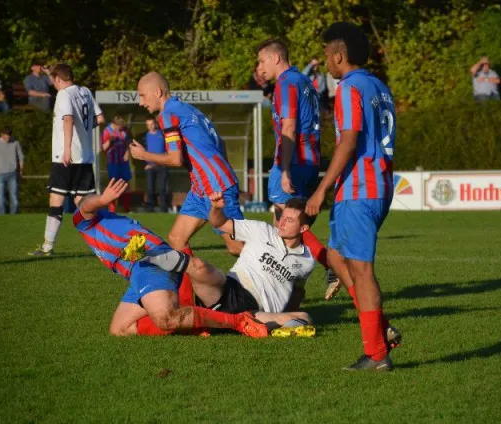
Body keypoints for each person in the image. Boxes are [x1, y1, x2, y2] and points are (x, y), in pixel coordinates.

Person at [306, 22, 401, 371]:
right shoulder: (379, 86)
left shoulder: (349, 87)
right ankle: (381, 328)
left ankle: (377, 354)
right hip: (376, 184)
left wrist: (321, 189)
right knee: (335, 256)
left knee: (361, 270)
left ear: (338, 55)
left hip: (361, 187)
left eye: (327, 55)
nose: (325, 62)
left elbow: (348, 141)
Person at [73, 178, 269, 338]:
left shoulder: (84, 221)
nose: (83, 200)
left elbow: (86, 205)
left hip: (148, 261)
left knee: (165, 319)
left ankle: (237, 321)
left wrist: (101, 199)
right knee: (120, 329)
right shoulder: (97, 224)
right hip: (138, 271)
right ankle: (194, 323)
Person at [146, 194, 319, 336]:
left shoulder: (307, 261)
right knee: (199, 266)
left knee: (304, 317)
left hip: (256, 311)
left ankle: (279, 330)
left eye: (289, 220)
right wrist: (216, 209)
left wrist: (285, 314)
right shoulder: (262, 230)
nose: (281, 222)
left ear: (303, 228)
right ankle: (150, 256)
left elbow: (297, 291)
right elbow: (220, 223)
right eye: (282, 216)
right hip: (228, 290)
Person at [256, 39, 339, 299]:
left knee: (286, 224)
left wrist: (284, 170)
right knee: (288, 230)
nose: (259, 67)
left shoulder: (286, 83)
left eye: (262, 61)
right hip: (310, 158)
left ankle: (330, 264)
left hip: (293, 160)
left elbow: (289, 128)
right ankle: (293, 294)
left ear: (276, 58)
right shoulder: (303, 81)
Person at [129, 72, 244, 258]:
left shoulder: (166, 115)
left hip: (216, 187)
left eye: (142, 95)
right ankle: (198, 277)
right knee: (177, 239)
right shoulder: (188, 109)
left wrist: (144, 155)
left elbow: (175, 159)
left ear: (157, 92)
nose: (141, 103)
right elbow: (220, 142)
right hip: (202, 187)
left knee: (237, 247)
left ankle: (282, 264)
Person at [28, 63, 105, 257]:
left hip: (66, 157)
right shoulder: (85, 91)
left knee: (56, 201)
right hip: (85, 157)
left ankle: (47, 247)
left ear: (58, 79)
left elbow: (68, 120)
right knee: (85, 205)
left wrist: (67, 149)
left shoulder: (63, 94)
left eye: (53, 80)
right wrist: (84, 131)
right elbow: (100, 119)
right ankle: (107, 244)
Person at [101, 116, 132, 212]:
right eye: (119, 127)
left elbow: (128, 143)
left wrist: (127, 152)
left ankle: (126, 207)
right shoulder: (106, 131)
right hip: (113, 162)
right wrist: (109, 141)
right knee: (113, 185)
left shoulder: (123, 131)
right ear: (115, 124)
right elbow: (103, 148)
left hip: (123, 162)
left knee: (126, 184)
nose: (120, 129)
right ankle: (112, 208)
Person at [143, 116, 169, 212]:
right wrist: (146, 163)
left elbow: (168, 149)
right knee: (150, 189)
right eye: (148, 125)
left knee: (162, 188)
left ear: (155, 124)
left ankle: (163, 209)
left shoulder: (162, 134)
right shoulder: (145, 136)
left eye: (152, 124)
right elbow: (143, 152)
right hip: (150, 167)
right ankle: (150, 209)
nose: (150, 126)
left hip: (162, 165)